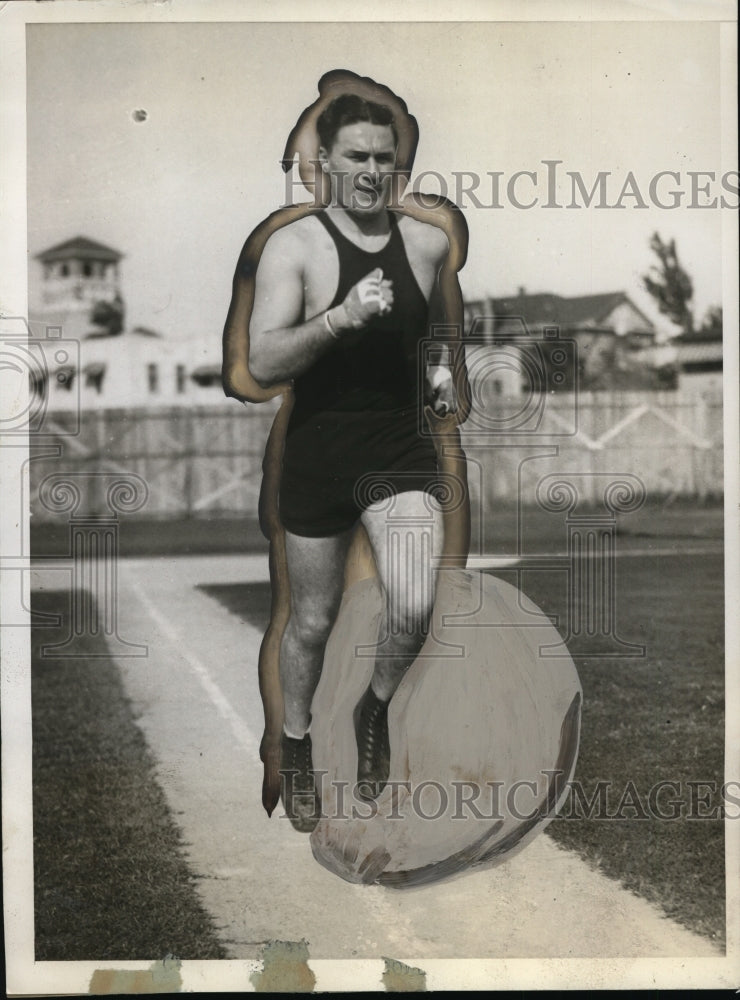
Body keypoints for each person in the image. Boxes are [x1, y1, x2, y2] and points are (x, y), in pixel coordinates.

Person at [245, 93, 456, 831]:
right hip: (319, 450)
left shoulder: (427, 245)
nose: (372, 171)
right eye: (357, 157)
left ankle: (375, 709)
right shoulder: (293, 247)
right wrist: (337, 317)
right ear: (326, 163)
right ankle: (297, 743)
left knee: (413, 603)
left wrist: (437, 372)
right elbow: (263, 360)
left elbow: (427, 335)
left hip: (399, 447)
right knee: (312, 620)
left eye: (383, 158)